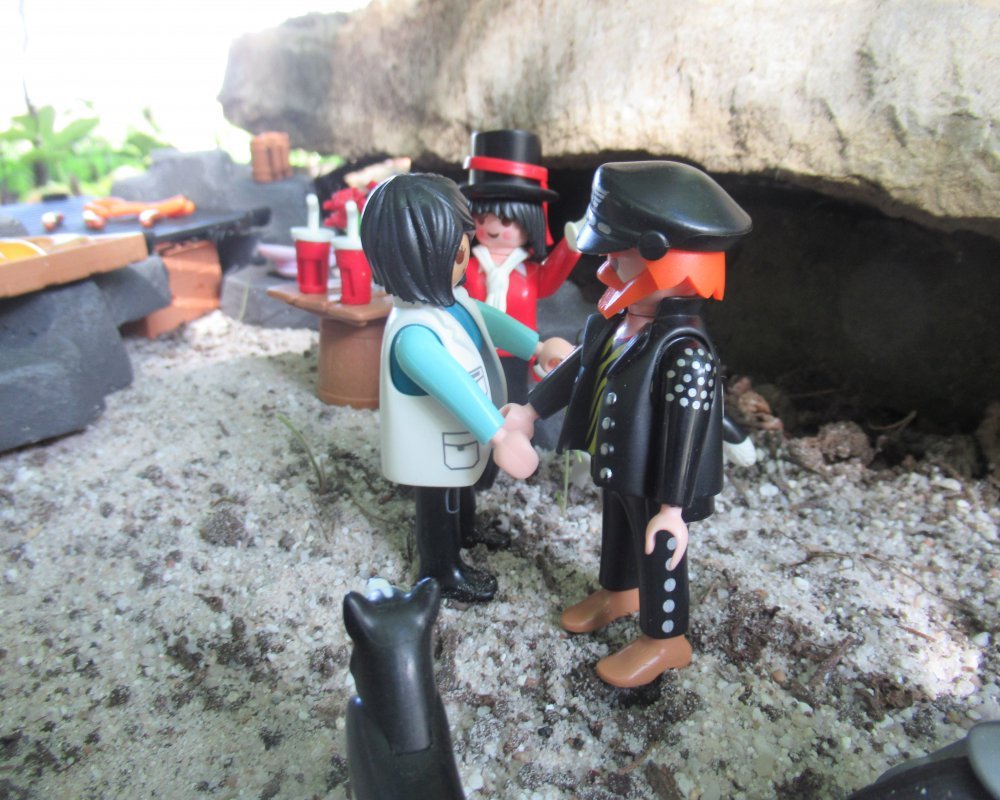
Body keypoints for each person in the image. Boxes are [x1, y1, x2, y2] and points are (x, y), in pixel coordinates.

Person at [503, 161, 754, 686]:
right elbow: (575, 369)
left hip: (659, 478)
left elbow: (686, 431)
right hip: (617, 463)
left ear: (668, 264)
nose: (604, 271)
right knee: (617, 530)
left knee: (659, 548)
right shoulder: (616, 325)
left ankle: (665, 638)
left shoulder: (685, 352)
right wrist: (529, 410)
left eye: (618, 260)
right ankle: (619, 592)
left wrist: (673, 507)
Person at [360, 173, 551, 603]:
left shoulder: (451, 299)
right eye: (454, 244)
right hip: (433, 444)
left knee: (462, 486)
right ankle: (440, 569)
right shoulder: (413, 334)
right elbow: (453, 384)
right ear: (413, 258)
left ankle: (466, 531)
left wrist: (535, 347)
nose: (466, 248)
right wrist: (497, 434)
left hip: (459, 435)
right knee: (440, 501)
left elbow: (487, 319)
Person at [460, 129, 580, 407]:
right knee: (475, 394)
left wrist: (569, 247)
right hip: (473, 344)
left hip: (517, 350)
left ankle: (514, 427)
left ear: (529, 220)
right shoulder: (467, 264)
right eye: (481, 217)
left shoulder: (529, 272)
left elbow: (550, 280)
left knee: (514, 395)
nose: (491, 227)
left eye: (506, 220)